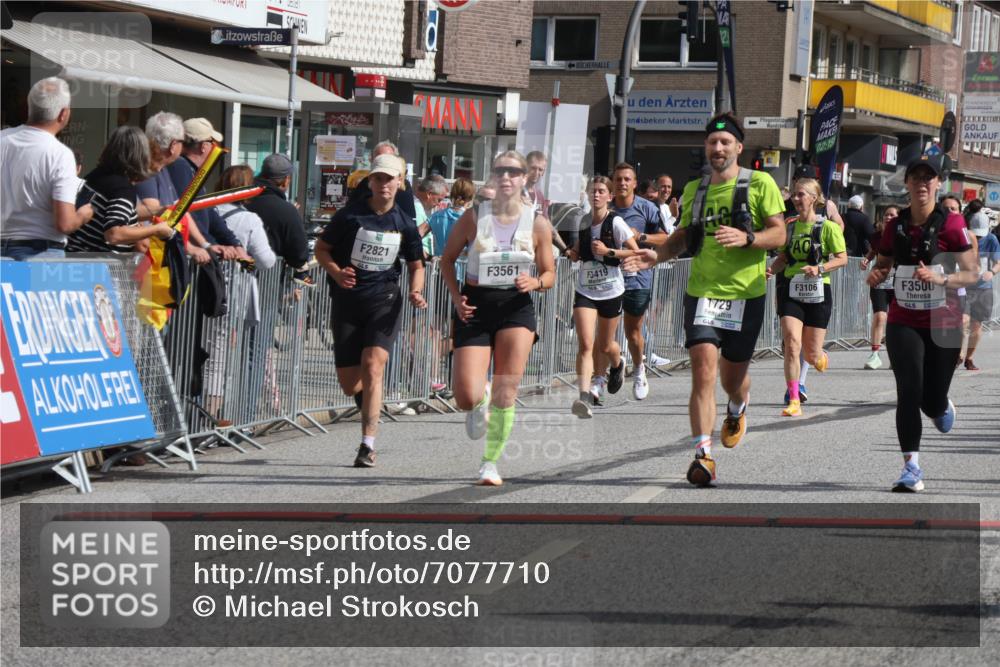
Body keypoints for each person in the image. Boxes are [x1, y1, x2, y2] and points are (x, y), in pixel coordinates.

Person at [624, 112, 786, 487]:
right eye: (712, 142)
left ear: (738, 148)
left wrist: (749, 239)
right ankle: (703, 455)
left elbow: (778, 235)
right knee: (702, 371)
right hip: (702, 294)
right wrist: (657, 255)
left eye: (725, 142)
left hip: (746, 294)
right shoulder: (695, 189)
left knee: (732, 379)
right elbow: (683, 237)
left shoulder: (760, 184)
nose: (718, 148)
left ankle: (738, 406)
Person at [440, 150, 555, 486]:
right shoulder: (474, 217)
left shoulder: (537, 222)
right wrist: (456, 297)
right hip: (474, 306)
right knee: (465, 396)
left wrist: (534, 281)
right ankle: (480, 400)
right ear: (492, 177)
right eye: (500, 171)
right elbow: (446, 260)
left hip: (515, 307)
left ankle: (490, 463)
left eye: (513, 172)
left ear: (524, 178)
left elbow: (549, 274)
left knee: (508, 387)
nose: (506, 177)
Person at [866, 154, 979, 492]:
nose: (922, 184)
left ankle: (941, 404)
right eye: (915, 178)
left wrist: (940, 278)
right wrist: (878, 272)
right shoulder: (895, 224)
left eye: (928, 178)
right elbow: (885, 260)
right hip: (904, 320)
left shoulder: (952, 226)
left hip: (943, 322)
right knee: (908, 391)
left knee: (930, 400)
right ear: (907, 184)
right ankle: (911, 468)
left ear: (937, 184)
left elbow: (971, 274)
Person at [314, 154, 427, 467]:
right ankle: (370, 402)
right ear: (371, 181)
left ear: (400, 182)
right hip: (348, 302)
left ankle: (367, 444)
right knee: (351, 383)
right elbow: (321, 250)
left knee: (373, 365)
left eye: (390, 179)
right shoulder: (350, 216)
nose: (384, 184)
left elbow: (417, 265)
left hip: (385, 300)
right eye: (379, 178)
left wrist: (416, 291)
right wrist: (337, 272)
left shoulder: (404, 223)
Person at [766, 178, 847, 417]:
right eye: (794, 194)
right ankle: (793, 398)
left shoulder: (828, 228)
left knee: (811, 354)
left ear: (814, 198)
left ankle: (819, 357)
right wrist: (771, 269)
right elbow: (783, 257)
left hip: (819, 291)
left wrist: (819, 269)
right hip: (792, 288)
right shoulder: (789, 226)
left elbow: (841, 258)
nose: (796, 198)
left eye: (801, 194)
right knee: (791, 343)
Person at [204, 165, 278, 423]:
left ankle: (201, 414)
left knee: (203, 353)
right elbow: (266, 260)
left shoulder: (207, 211)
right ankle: (210, 417)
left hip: (201, 289)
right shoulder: (249, 220)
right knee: (221, 358)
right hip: (231, 295)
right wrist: (246, 262)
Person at [565, 176, 641, 417]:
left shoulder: (615, 222)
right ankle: (584, 396)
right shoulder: (583, 221)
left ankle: (617, 364)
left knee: (605, 345)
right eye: (592, 191)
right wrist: (573, 253)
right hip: (586, 290)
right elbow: (578, 249)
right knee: (586, 344)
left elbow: (634, 250)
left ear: (609, 196)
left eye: (600, 191)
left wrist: (609, 251)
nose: (596, 195)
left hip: (611, 290)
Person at [1, 77, 93, 259]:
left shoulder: (2, 139)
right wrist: (83, 215)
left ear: (30, 108)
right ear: (63, 114)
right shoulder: (60, 154)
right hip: (39, 254)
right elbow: (65, 224)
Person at [610, 162, 668, 401]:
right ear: (613, 183)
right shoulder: (605, 208)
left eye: (627, 179)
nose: (622, 183)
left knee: (632, 332)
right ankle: (606, 372)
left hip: (638, 278)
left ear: (634, 183)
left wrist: (641, 236)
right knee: (604, 335)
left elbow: (666, 238)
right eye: (618, 179)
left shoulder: (647, 208)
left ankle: (639, 368)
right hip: (608, 279)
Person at [67, 126, 176, 253]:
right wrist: (157, 229)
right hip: (98, 266)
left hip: (74, 256)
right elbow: (114, 234)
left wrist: (137, 225)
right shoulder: (122, 189)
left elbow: (106, 216)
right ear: (140, 155)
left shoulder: (95, 175)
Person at [135, 112, 213, 265]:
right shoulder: (147, 169)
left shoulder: (162, 169)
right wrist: (188, 248)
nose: (183, 147)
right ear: (173, 146)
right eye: (181, 142)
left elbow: (178, 210)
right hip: (146, 265)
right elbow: (156, 215)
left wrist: (204, 244)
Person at [165, 118, 246, 261]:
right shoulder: (180, 166)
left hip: (196, 252)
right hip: (185, 254)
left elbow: (209, 212)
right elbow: (185, 211)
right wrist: (208, 245)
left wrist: (233, 243)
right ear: (203, 146)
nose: (215, 148)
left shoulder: (191, 170)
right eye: (213, 143)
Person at [244, 154, 313, 286]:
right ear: (286, 180)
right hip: (268, 283)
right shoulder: (286, 210)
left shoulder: (242, 199)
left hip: (232, 277)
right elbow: (298, 254)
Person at [860, 206, 900, 370]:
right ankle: (875, 354)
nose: (888, 217)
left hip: (898, 281)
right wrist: (867, 260)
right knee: (880, 317)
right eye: (886, 214)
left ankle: (896, 356)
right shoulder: (876, 236)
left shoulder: (902, 236)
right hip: (880, 281)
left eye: (892, 215)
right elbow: (874, 251)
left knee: (896, 321)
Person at [961, 209, 999, 371]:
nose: (978, 238)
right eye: (975, 235)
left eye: (980, 235)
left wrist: (992, 271)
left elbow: (998, 262)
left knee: (976, 326)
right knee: (962, 321)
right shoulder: (963, 237)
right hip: (963, 287)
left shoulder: (991, 240)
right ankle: (959, 354)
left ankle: (969, 358)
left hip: (983, 288)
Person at [428, 177, 475, 257]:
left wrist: (428, 256)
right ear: (470, 198)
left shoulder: (437, 216)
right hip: (461, 267)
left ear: (452, 194)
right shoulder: (471, 220)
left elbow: (417, 233)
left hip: (440, 266)